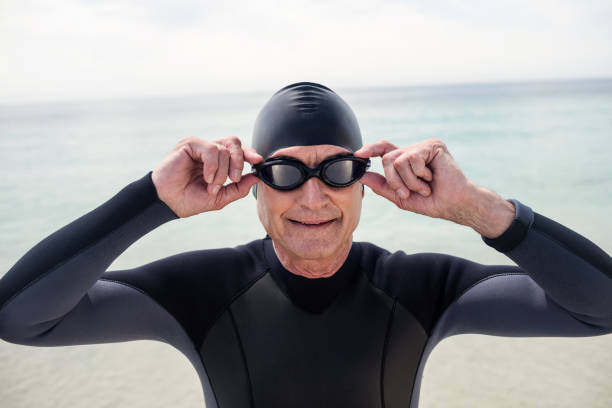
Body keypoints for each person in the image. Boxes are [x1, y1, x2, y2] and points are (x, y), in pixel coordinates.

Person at [0, 82, 611, 408]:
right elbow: (20, 318)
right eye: (287, 173)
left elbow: (601, 307)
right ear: (254, 188)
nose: (314, 199)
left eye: (337, 172)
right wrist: (150, 202)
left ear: (365, 187)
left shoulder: (423, 289)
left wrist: (476, 207)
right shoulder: (200, 292)